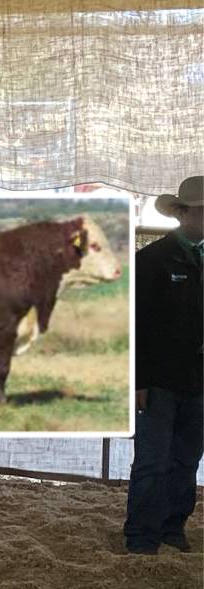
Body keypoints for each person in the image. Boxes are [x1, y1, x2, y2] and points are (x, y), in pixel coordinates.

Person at [124, 175, 203, 555]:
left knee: (187, 460)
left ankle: (173, 527)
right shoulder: (151, 261)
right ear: (183, 214)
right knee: (153, 462)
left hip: (199, 381)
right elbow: (135, 325)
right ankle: (141, 535)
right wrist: (137, 379)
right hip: (158, 380)